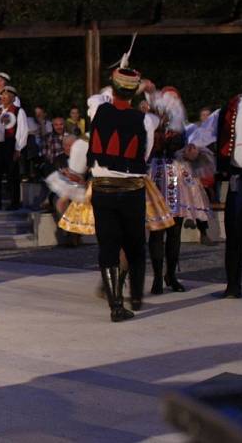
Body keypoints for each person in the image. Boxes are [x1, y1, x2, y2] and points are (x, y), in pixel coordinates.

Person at [86, 52, 159, 322]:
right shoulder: (147, 122)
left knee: (107, 246)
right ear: (135, 93)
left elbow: (99, 96)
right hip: (131, 189)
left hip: (103, 188)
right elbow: (146, 154)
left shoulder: (97, 108)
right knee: (134, 245)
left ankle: (115, 305)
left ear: (114, 87)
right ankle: (133, 296)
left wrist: (121, 69)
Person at [144, 84, 210, 295]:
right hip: (157, 176)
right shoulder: (151, 123)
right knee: (156, 230)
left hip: (177, 178)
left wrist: (193, 151)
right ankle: (156, 277)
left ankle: (170, 275)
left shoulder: (184, 126)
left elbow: (189, 148)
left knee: (174, 231)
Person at [217, 91, 242, 298]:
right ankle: (233, 285)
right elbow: (216, 132)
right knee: (234, 230)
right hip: (238, 174)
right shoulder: (234, 104)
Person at [0, 85, 28, 210]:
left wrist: (18, 148)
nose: (4, 97)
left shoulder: (18, 111)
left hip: (11, 145)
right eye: (3, 95)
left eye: (7, 96)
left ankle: (15, 202)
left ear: (12, 97)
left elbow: (23, 130)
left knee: (12, 175)